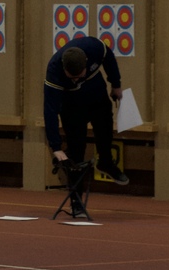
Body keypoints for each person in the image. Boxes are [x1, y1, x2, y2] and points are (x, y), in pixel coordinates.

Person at [44, 35, 129, 217]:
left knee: (105, 124)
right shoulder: (54, 71)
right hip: (71, 106)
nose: (76, 80)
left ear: (87, 64)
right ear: (64, 70)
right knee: (76, 152)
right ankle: (76, 203)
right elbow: (50, 111)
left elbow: (109, 58)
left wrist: (116, 84)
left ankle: (106, 162)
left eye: (79, 75)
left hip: (96, 94)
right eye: (72, 77)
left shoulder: (94, 48)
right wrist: (56, 147)